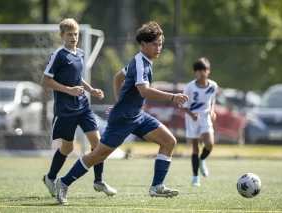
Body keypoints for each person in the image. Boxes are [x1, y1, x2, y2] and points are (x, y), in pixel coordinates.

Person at [54, 21, 188, 205]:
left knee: (169, 141)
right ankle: (64, 182)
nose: (158, 48)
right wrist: (172, 97)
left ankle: (157, 186)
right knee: (98, 155)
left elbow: (118, 78)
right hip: (123, 119)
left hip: (136, 115)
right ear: (143, 44)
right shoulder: (141, 62)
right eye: (154, 44)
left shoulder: (143, 61)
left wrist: (120, 103)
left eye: (160, 44)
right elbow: (144, 91)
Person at [41, 18, 116, 197]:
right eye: (69, 34)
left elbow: (77, 77)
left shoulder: (80, 53)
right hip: (65, 110)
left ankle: (98, 181)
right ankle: (50, 177)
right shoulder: (59, 54)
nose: (73, 37)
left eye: (75, 34)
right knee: (68, 148)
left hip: (83, 106)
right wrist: (68, 90)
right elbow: (45, 80)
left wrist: (91, 90)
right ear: (62, 36)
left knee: (98, 144)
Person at [181, 57, 218, 187]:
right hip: (192, 118)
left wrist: (212, 111)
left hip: (205, 117)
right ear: (195, 72)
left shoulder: (213, 86)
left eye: (204, 70)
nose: (202, 73)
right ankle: (195, 177)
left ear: (209, 71)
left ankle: (202, 160)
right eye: (199, 70)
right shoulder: (190, 87)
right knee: (195, 147)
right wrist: (192, 114)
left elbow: (211, 101)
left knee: (209, 144)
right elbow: (183, 105)